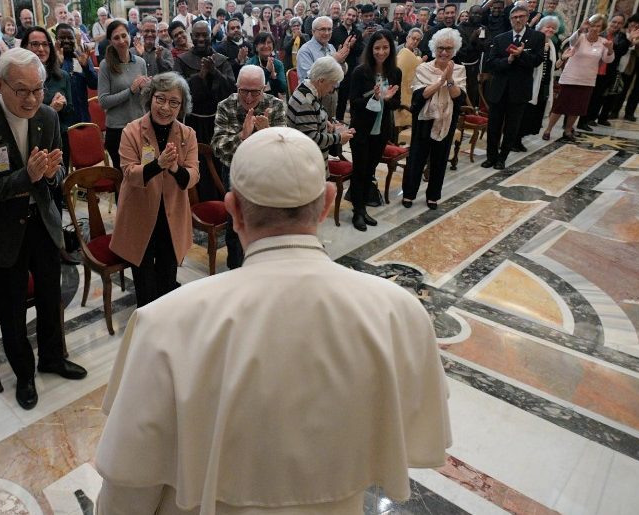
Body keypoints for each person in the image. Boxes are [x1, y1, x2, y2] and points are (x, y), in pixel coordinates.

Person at [94, 125, 451, 515]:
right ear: (327, 201)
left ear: (233, 210)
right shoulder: (400, 313)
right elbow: (411, 439)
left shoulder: (163, 323)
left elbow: (128, 488)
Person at [0, 48, 87, 411]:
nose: (31, 99)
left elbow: (58, 174)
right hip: (2, 232)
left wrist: (51, 175)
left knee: (50, 296)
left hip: (42, 223)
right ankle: (24, 374)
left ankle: (52, 357)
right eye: (22, 91)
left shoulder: (47, 117)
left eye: (38, 89)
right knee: (12, 308)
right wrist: (26, 176)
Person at [111, 73, 199, 306]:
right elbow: (129, 172)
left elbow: (193, 176)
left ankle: (164, 323)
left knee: (167, 283)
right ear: (150, 98)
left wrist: (174, 168)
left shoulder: (187, 134)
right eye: (160, 99)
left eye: (174, 102)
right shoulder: (131, 131)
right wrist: (158, 165)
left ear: (181, 107)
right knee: (145, 288)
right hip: (139, 218)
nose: (165, 108)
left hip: (171, 219)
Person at [212, 65, 288, 269]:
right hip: (236, 172)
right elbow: (218, 147)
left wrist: (267, 132)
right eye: (243, 91)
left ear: (264, 88)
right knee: (236, 223)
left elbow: (284, 148)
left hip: (266, 173)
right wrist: (242, 136)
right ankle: (236, 268)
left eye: (255, 92)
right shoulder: (225, 106)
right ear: (236, 87)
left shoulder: (276, 105)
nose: (248, 97)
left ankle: (262, 266)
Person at [401, 28, 467, 210]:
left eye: (448, 48)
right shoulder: (423, 68)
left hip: (447, 119)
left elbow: (459, 97)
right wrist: (440, 81)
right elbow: (420, 95)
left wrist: (450, 78)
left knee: (440, 158)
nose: (444, 52)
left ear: (454, 50)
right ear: (434, 49)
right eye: (440, 48)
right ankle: (409, 193)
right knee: (417, 157)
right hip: (424, 119)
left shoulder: (460, 70)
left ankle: (433, 196)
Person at [349, 31, 401, 230]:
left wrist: (386, 100)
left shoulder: (395, 72)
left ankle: (363, 208)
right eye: (377, 48)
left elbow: (396, 103)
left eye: (385, 47)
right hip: (361, 129)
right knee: (360, 170)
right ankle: (358, 211)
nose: (381, 52)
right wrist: (375, 97)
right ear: (371, 49)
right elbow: (354, 102)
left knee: (370, 170)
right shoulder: (360, 72)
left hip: (381, 130)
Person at [482, 6, 543, 169]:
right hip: (499, 89)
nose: (518, 20)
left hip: (519, 90)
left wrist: (521, 54)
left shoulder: (537, 37)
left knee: (511, 128)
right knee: (493, 126)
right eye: (514, 17)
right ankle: (491, 157)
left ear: (527, 18)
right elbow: (491, 63)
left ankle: (502, 158)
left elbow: (537, 61)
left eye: (521, 16)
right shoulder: (500, 38)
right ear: (510, 20)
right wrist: (507, 60)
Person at [542, 15, 615, 141]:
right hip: (570, 78)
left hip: (587, 80)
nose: (595, 28)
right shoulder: (580, 37)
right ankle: (548, 129)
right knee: (560, 106)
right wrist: (581, 29)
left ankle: (567, 130)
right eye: (593, 25)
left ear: (602, 28)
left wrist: (610, 50)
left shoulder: (603, 42)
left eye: (598, 26)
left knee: (577, 108)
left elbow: (607, 60)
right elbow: (571, 42)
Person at [176, 20, 237, 149]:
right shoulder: (181, 60)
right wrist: (200, 76)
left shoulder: (222, 60)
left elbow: (231, 89)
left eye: (205, 35)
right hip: (191, 120)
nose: (201, 39)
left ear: (211, 35)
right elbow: (177, 89)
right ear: (191, 36)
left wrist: (215, 72)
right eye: (197, 35)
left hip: (218, 120)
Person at [288, 56, 354, 174]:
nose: (331, 90)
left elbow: (313, 116)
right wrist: (339, 138)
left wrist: (324, 121)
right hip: (308, 165)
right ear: (321, 80)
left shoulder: (306, 88)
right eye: (332, 84)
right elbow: (312, 139)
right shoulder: (306, 102)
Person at [98, 20, 150, 169]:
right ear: (110, 41)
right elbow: (103, 102)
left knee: (146, 169)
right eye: (116, 38)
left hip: (141, 127)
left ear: (129, 36)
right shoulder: (105, 65)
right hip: (118, 130)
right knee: (124, 175)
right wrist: (130, 91)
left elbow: (144, 97)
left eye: (124, 35)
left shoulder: (140, 62)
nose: (121, 41)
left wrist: (148, 87)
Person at [25, 26, 73, 153]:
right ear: (25, 47)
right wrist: (51, 110)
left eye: (45, 44)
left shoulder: (62, 76)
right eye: (35, 44)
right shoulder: (20, 79)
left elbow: (70, 112)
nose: (41, 49)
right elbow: (21, 116)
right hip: (32, 140)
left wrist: (63, 104)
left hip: (59, 137)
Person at [579, 14, 628, 130]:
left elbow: (620, 51)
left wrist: (628, 41)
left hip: (607, 71)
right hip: (592, 69)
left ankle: (587, 120)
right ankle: (579, 120)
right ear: (609, 21)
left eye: (619, 23)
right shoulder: (600, 33)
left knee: (597, 97)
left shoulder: (622, 37)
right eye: (614, 22)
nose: (616, 25)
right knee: (586, 97)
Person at [518, 16, 559, 145]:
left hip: (544, 84)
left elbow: (552, 66)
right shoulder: (534, 41)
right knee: (525, 112)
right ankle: (516, 139)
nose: (550, 30)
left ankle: (522, 138)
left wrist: (562, 58)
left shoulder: (552, 45)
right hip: (531, 82)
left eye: (553, 28)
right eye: (548, 27)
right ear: (540, 28)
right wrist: (542, 51)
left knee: (535, 114)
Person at [55, 23, 99, 124]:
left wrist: (86, 67)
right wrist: (58, 65)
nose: (66, 40)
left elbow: (94, 84)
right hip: (61, 121)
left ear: (75, 39)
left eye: (70, 38)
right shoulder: (51, 60)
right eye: (62, 38)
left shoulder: (81, 57)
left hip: (82, 117)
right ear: (56, 40)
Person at [296, 16, 355, 82]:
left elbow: (341, 74)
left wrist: (341, 61)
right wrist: (333, 60)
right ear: (313, 31)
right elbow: (308, 79)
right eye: (323, 29)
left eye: (329, 29)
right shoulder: (305, 51)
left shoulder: (331, 47)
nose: (327, 33)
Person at [245, 32, 287, 96]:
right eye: (262, 43)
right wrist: (267, 71)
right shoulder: (249, 65)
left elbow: (283, 89)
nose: (266, 46)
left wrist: (273, 76)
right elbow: (255, 89)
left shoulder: (278, 64)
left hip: (273, 99)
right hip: (254, 99)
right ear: (256, 47)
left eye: (269, 42)